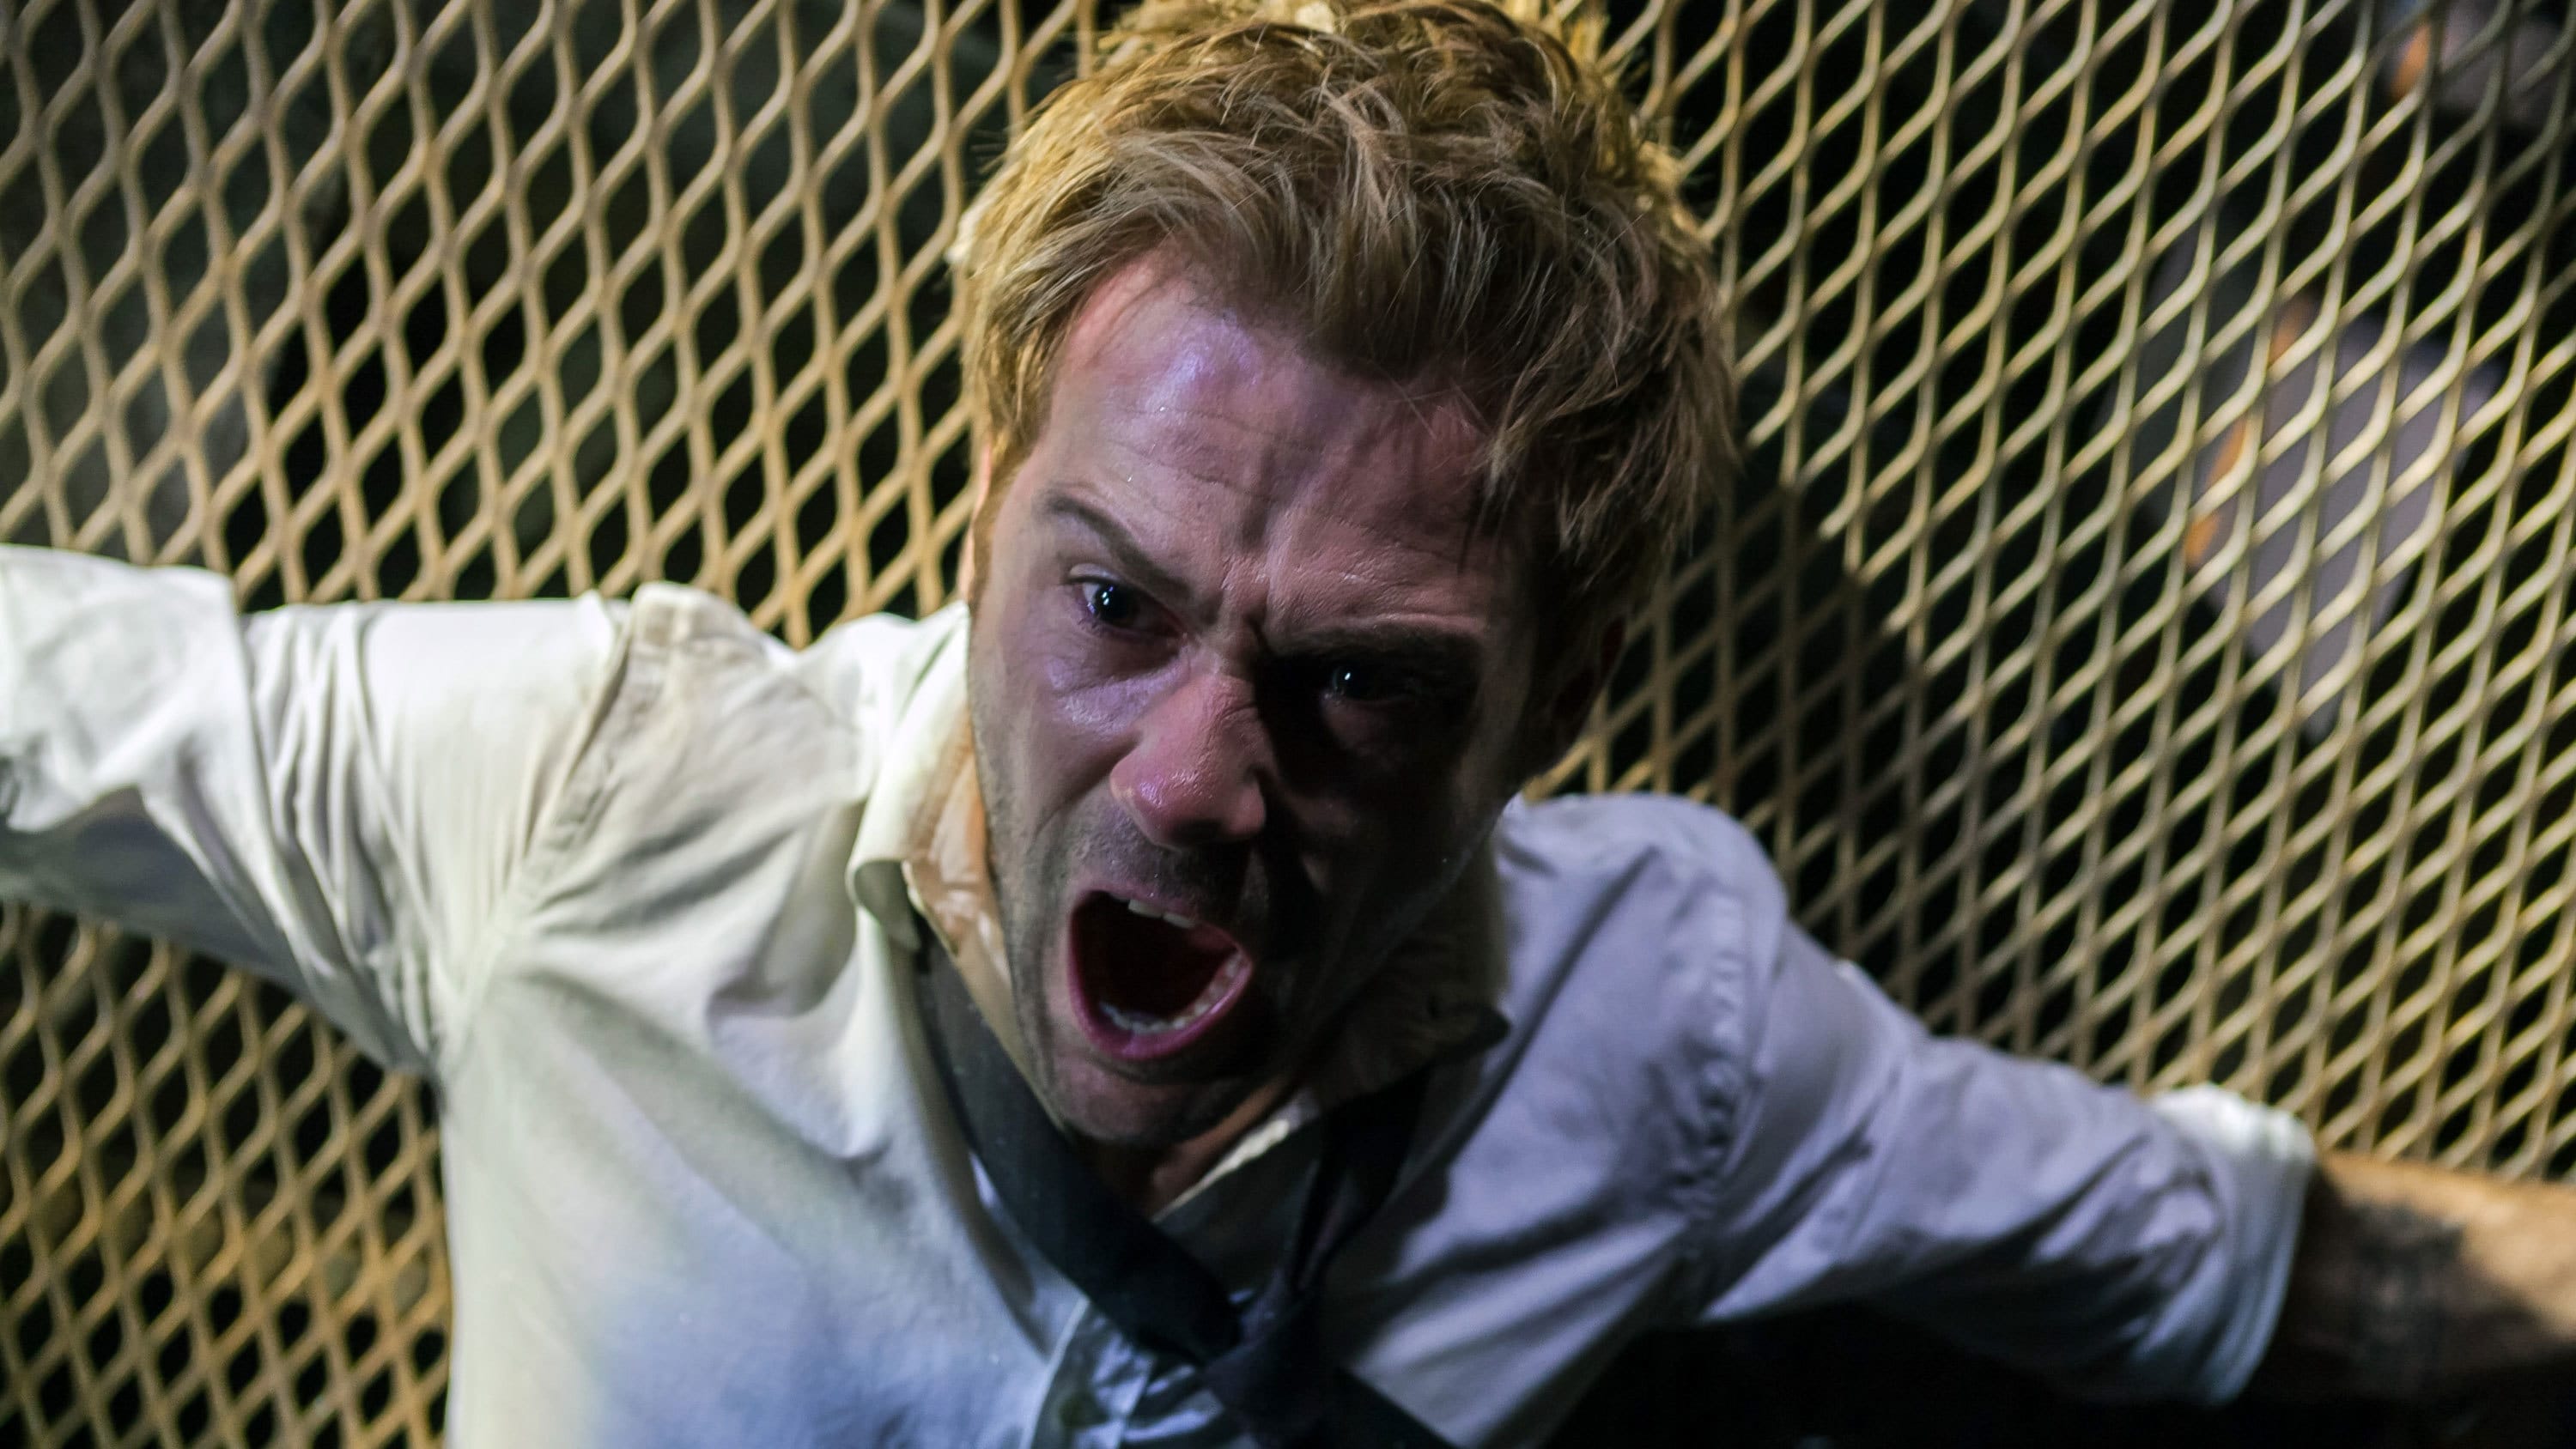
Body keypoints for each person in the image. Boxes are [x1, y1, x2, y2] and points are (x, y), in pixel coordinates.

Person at [7, 0, 2576, 1444]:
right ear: (982, 508)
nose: (1197, 782)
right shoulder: (604, 802)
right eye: (1111, 601)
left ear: (1554, 704)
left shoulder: (1660, 1027)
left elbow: (2279, 1270)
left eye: (1360, 684)